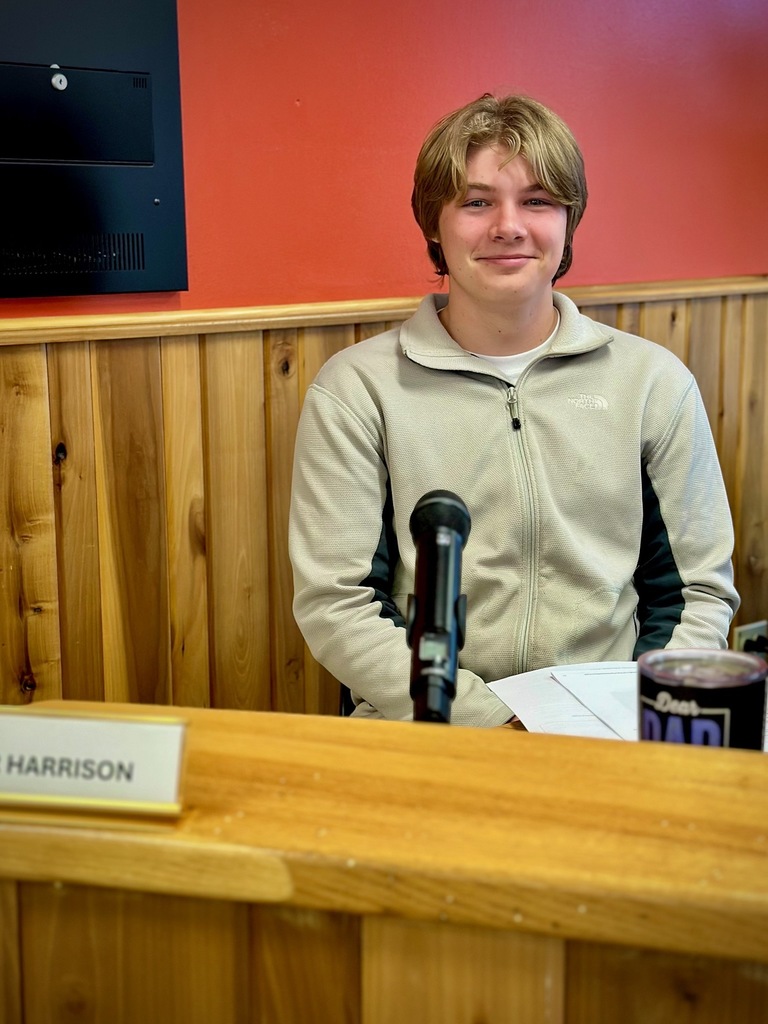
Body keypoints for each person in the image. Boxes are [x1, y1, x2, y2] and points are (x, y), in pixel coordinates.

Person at [289, 93, 739, 727]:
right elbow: (338, 603)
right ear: (434, 227)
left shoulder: (652, 383)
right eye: (476, 202)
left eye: (537, 200)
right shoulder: (358, 390)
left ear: (567, 222)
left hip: (615, 729)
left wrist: (639, 715)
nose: (509, 225)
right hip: (431, 730)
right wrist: (495, 725)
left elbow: (698, 591)